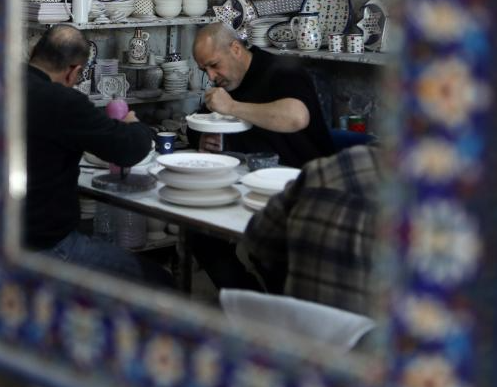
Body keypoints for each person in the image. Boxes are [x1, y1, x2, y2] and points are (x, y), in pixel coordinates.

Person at [24, 24, 172, 287]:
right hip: (46, 245)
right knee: (160, 282)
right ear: (74, 72)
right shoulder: (61, 101)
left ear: (36, 52)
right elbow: (128, 149)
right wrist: (134, 123)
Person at [192, 146, 381, 315]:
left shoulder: (339, 167)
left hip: (305, 337)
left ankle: (256, 314)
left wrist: (230, 106)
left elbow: (259, 240)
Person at [190, 22, 336, 167]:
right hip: (253, 176)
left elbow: (296, 117)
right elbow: (199, 122)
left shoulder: (283, 71)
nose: (211, 76)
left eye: (214, 65)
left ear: (235, 49)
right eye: (204, 70)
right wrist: (203, 138)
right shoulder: (226, 82)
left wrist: (232, 107)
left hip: (307, 177)